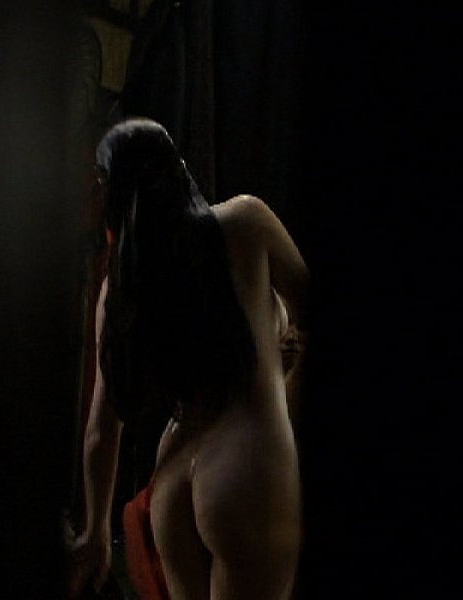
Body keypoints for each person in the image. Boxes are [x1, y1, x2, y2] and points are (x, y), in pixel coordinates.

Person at [69, 118, 308, 600]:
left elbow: (100, 433)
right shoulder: (245, 220)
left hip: (173, 478)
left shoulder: (119, 291)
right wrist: (288, 389)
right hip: (246, 465)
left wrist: (95, 531)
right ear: (178, 171)